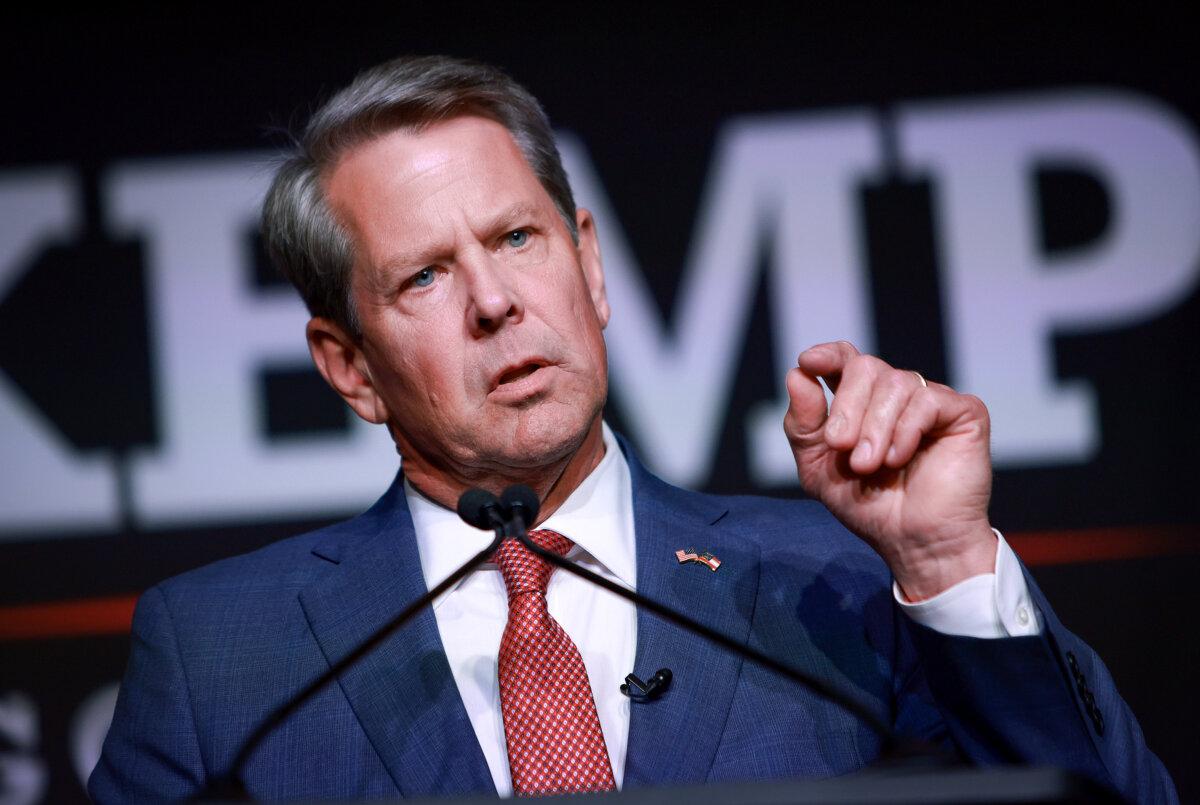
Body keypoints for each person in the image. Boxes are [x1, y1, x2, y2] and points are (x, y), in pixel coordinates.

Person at [89, 55, 1176, 802]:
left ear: (591, 266)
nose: (495, 301)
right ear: (349, 365)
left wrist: (945, 564)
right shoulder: (219, 656)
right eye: (424, 274)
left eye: (518, 239)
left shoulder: (837, 584)